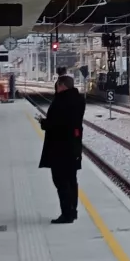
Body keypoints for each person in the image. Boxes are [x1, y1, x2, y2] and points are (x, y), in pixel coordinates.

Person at [38, 75, 85, 224]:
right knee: (72, 180)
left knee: (61, 181)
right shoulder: (79, 100)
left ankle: (66, 214)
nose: (56, 88)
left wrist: (44, 123)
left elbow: (56, 124)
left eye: (57, 85)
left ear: (62, 85)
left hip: (60, 147)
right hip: (74, 145)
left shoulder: (61, 102)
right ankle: (73, 210)